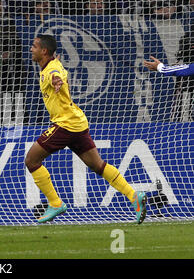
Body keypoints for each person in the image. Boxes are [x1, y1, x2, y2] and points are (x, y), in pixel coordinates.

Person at [25, 34, 147, 224]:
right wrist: (58, 77)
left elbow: (55, 76)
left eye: (34, 46)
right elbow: (58, 72)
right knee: (98, 165)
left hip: (65, 125)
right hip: (77, 123)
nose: (30, 49)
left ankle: (55, 203)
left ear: (44, 51)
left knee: (32, 160)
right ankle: (134, 196)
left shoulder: (51, 70)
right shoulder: (52, 65)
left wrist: (57, 80)